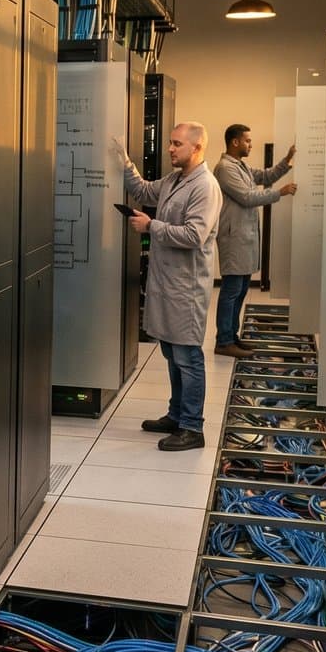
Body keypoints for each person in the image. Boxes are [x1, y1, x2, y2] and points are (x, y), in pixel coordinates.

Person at [117, 122, 221, 451]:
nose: (171, 149)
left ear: (196, 148)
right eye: (170, 143)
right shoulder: (175, 179)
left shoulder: (205, 186)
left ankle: (193, 427)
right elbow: (146, 191)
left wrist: (152, 226)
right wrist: (123, 161)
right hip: (167, 284)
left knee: (188, 357)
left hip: (186, 289)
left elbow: (194, 236)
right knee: (172, 354)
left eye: (177, 144)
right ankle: (177, 416)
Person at [213, 124, 297, 359]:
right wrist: (279, 193)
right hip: (234, 239)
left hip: (244, 239)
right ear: (235, 142)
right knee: (231, 291)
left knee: (239, 291)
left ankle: (232, 336)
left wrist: (287, 159)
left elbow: (265, 176)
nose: (250, 144)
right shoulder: (224, 168)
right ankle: (223, 341)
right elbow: (247, 197)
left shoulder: (241, 166)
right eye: (248, 141)